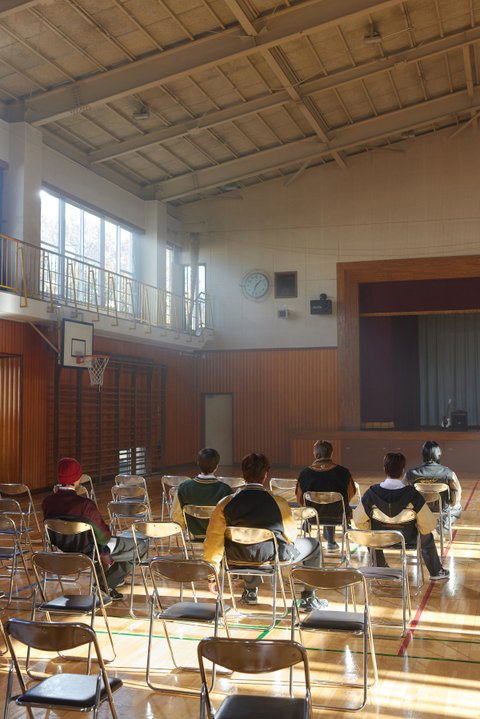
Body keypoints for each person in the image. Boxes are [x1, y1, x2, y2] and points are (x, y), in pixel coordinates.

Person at [204, 452, 325, 610]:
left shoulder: (225, 503)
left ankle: (250, 592)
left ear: (243, 475)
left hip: (236, 557)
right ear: (265, 475)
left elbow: (214, 541)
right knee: (314, 545)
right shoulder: (278, 502)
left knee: (247, 544)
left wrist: (212, 575)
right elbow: (291, 536)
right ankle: (309, 597)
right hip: (272, 557)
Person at [42, 457, 147, 600]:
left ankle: (105, 578)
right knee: (139, 547)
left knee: (98, 544)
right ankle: (106, 583)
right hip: (89, 551)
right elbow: (104, 538)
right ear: (77, 478)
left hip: (64, 549)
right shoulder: (85, 505)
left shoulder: (47, 502)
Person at [353, 452, 449, 581]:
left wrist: (373, 528)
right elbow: (428, 524)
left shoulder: (371, 493)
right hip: (408, 539)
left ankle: (380, 566)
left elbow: (358, 521)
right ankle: (436, 572)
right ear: (403, 470)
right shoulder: (413, 495)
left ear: (384, 469)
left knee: (371, 534)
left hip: (381, 539)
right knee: (427, 536)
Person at [296, 439, 356, 551]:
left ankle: (313, 544)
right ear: (331, 454)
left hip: (312, 517)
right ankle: (331, 542)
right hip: (338, 515)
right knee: (331, 506)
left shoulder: (305, 474)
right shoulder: (343, 472)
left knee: (320, 507)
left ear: (317, 455)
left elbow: (300, 499)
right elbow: (350, 494)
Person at [172, 447, 233, 537]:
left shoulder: (183, 488)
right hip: (217, 537)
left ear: (198, 463)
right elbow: (231, 518)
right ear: (216, 466)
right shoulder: (225, 490)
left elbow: (176, 516)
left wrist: (184, 528)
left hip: (193, 535)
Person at [405, 440, 462, 523]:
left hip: (421, 508)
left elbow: (401, 490)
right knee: (457, 507)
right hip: (442, 507)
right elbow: (457, 492)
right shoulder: (448, 473)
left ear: (423, 455)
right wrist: (451, 503)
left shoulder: (411, 473)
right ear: (438, 455)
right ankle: (443, 526)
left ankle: (419, 526)